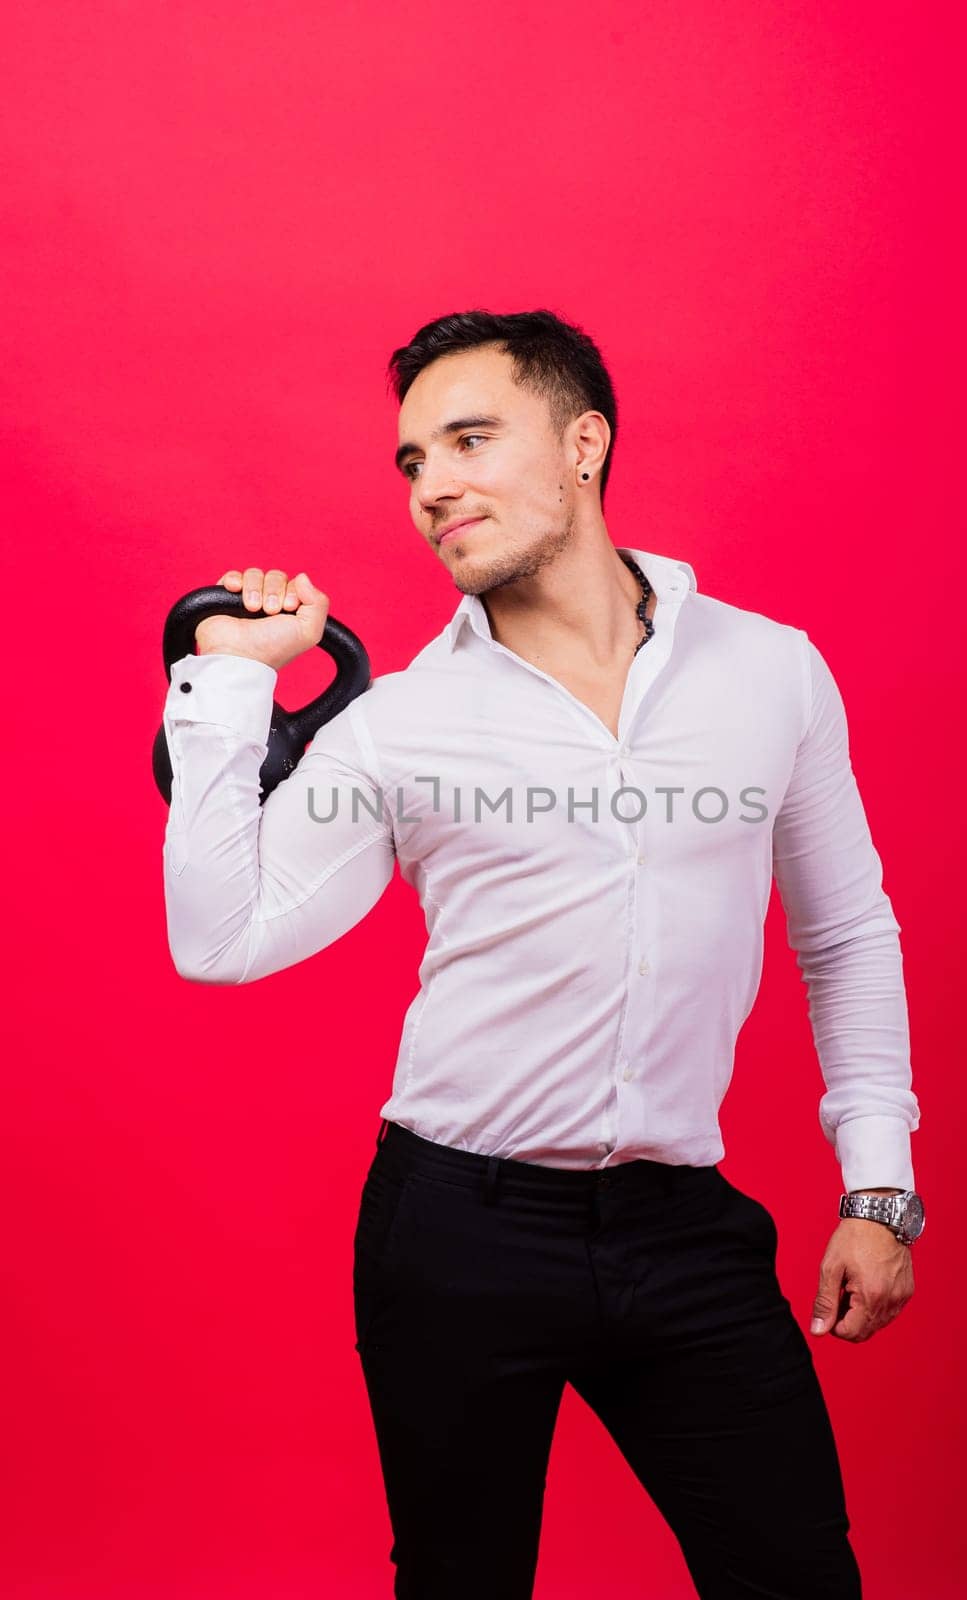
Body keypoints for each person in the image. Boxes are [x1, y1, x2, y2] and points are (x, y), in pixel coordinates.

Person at [160, 308, 923, 1599]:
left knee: (797, 1572)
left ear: (585, 443)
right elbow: (219, 937)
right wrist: (229, 680)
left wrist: (878, 1184)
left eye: (468, 439)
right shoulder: (400, 723)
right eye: (412, 462)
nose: (433, 487)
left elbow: (845, 931)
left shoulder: (772, 672)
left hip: (683, 1225)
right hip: (458, 1226)